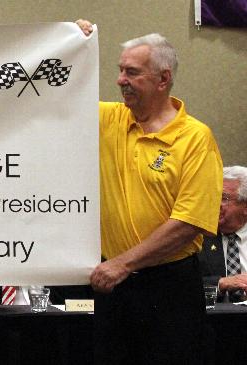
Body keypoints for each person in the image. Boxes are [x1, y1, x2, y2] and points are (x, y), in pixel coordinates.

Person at [76, 21, 223, 364]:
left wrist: (123, 264)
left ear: (163, 79)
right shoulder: (109, 119)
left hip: (168, 286)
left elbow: (189, 222)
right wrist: (73, 44)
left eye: (131, 72)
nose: (120, 80)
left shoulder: (195, 138)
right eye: (120, 70)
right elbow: (54, 94)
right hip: (114, 284)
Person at [199, 166, 247, 302]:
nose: (215, 204)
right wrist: (220, 284)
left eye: (224, 198)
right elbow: (182, 287)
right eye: (213, 197)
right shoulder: (195, 238)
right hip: (215, 314)